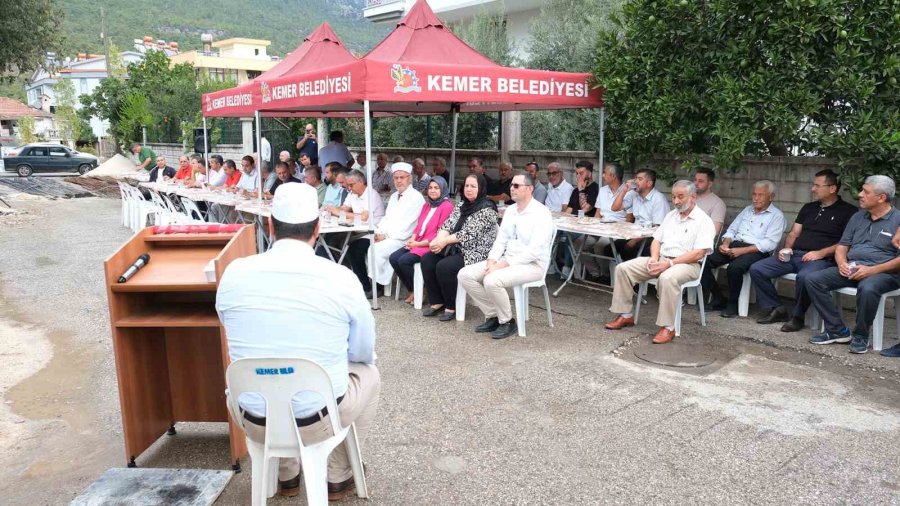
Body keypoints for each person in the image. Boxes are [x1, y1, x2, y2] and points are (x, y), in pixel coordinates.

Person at [216, 182, 380, 500]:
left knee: (268, 369)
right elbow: (362, 351)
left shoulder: (233, 273)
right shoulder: (341, 278)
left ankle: (286, 475)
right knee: (369, 374)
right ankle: (337, 475)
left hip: (252, 419)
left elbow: (229, 326)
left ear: (269, 225)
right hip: (316, 419)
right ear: (318, 228)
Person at [605, 180, 716, 344]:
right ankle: (625, 315)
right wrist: (654, 259)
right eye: (673, 197)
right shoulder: (671, 216)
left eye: (680, 197)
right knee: (623, 268)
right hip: (662, 259)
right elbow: (656, 240)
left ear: (693, 197)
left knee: (667, 278)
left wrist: (669, 264)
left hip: (687, 265)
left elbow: (698, 253)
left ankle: (668, 327)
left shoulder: (703, 220)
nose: (676, 201)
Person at [803, 175, 900, 355]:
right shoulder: (858, 217)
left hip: (884, 272)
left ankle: (861, 336)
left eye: (866, 192)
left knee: (869, 287)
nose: (860, 194)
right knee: (812, 279)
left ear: (882, 197)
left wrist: (871, 270)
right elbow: (842, 246)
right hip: (852, 268)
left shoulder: (898, 220)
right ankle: (837, 329)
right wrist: (842, 263)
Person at [749, 169, 857, 330]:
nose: (813, 189)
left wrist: (820, 253)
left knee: (805, 277)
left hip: (821, 260)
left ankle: (797, 317)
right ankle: (776, 308)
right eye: (813, 185)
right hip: (795, 255)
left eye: (817, 186)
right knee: (758, 268)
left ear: (832, 188)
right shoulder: (809, 207)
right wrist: (787, 248)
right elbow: (794, 232)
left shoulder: (849, 211)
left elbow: (846, 242)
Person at [458, 173, 555, 339]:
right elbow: (500, 241)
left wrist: (501, 265)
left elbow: (534, 251)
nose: (512, 188)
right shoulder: (510, 211)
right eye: (511, 185)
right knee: (465, 274)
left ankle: (507, 322)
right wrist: (491, 260)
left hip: (533, 264)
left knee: (492, 280)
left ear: (530, 189)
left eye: (517, 186)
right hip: (506, 260)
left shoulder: (542, 213)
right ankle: (493, 314)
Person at [700, 180, 786, 317]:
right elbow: (732, 230)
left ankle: (733, 304)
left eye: (760, 195)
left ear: (771, 197)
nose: (756, 198)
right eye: (754, 194)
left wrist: (742, 251)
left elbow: (769, 244)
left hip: (757, 251)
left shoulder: (777, 216)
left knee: (735, 268)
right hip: (735, 245)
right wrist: (726, 243)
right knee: (702, 261)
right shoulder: (747, 210)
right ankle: (718, 297)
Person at [421, 174, 498, 321]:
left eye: (473, 186)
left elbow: (467, 234)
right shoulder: (462, 205)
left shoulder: (488, 210)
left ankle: (451, 305)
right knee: (427, 259)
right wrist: (438, 240)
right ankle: (437, 301)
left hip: (475, 252)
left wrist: (443, 242)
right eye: (467, 186)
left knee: (445, 266)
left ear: (481, 189)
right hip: (455, 248)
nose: (468, 189)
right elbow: (447, 225)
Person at [346, 163, 424, 296]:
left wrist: (386, 236)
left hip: (403, 238)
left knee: (376, 249)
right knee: (363, 246)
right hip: (388, 235)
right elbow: (386, 218)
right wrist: (379, 233)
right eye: (396, 178)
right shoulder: (394, 196)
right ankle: (370, 284)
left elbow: (408, 225)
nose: (399, 181)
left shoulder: (416, 198)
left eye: (402, 177)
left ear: (409, 178)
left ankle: (378, 287)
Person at [388, 178, 454, 304]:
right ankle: (413, 290)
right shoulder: (427, 205)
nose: (432, 191)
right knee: (393, 258)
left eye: (436, 188)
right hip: (418, 242)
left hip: (431, 245)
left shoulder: (447, 207)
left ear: (443, 189)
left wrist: (417, 244)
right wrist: (412, 239)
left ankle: (422, 290)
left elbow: (439, 234)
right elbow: (419, 226)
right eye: (430, 188)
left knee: (404, 261)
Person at [609, 168, 670, 260]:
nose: (636, 181)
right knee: (609, 249)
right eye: (636, 179)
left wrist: (634, 241)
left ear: (649, 183)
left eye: (640, 179)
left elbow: (657, 228)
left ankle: (627, 271)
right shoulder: (634, 194)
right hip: (635, 233)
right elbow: (615, 208)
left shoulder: (658, 199)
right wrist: (624, 191)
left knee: (631, 251)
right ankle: (613, 273)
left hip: (650, 236)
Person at [693, 168, 727, 236]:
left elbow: (715, 231)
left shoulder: (718, 204)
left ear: (710, 184)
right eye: (695, 180)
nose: (696, 183)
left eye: (700, 181)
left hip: (700, 242)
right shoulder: (688, 197)